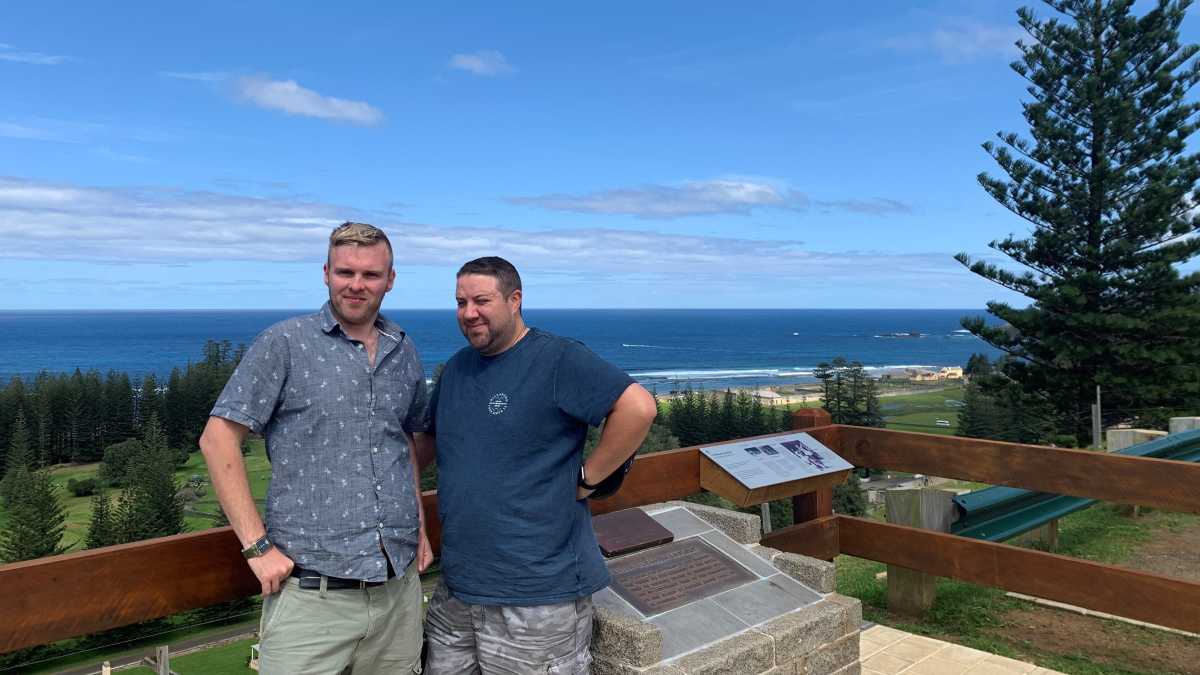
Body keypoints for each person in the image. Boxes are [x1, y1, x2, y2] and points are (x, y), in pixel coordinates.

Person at [199, 222, 432, 675]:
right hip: (311, 596)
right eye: (346, 272)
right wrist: (256, 547)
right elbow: (217, 438)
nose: (356, 285)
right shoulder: (284, 343)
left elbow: (401, 440)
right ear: (326, 273)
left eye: (370, 274)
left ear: (391, 279)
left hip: (397, 592)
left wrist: (419, 527)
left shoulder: (402, 349)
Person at [415, 256, 657, 674]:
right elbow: (429, 442)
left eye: (481, 301)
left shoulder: (557, 359)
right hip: (459, 589)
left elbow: (638, 407)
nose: (468, 313)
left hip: (537, 595)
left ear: (514, 300)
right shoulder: (457, 368)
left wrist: (589, 478)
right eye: (460, 302)